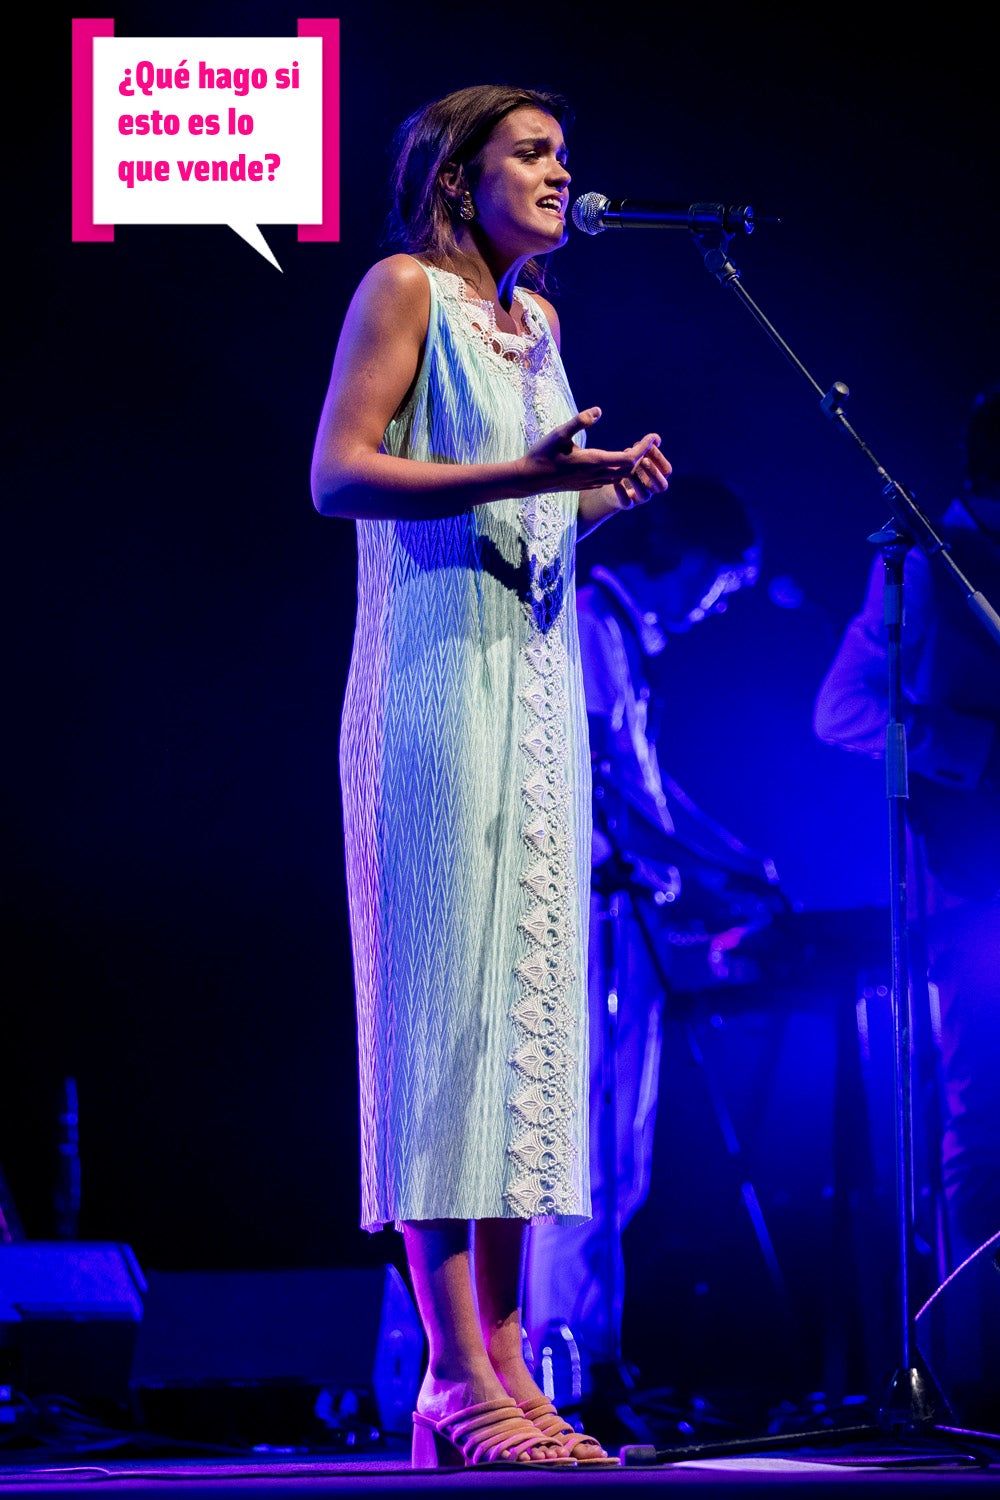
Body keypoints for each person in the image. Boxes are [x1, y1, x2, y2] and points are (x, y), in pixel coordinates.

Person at [309, 83, 673, 1468]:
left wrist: (594, 489)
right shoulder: (401, 287)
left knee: (523, 1036)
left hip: (535, 698)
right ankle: (450, 1380)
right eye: (532, 150)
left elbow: (530, 491)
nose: (561, 170)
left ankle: (512, 1368)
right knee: (439, 1031)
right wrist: (511, 474)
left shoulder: (543, 325)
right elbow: (339, 475)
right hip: (428, 698)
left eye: (566, 153)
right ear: (458, 174)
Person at [524, 475, 782, 1431]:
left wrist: (733, 860)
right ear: (686, 557)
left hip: (622, 919)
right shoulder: (590, 622)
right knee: (581, 1152)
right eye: (720, 582)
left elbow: (652, 792)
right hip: (587, 915)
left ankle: (593, 1362)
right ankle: (568, 1374)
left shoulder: (624, 641)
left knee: (621, 1160)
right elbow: (611, 796)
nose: (718, 605)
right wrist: (720, 866)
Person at [813, 385, 1000, 1273]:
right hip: (967, 875)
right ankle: (978, 1352)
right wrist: (977, 750)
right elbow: (842, 710)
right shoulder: (931, 561)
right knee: (982, 1107)